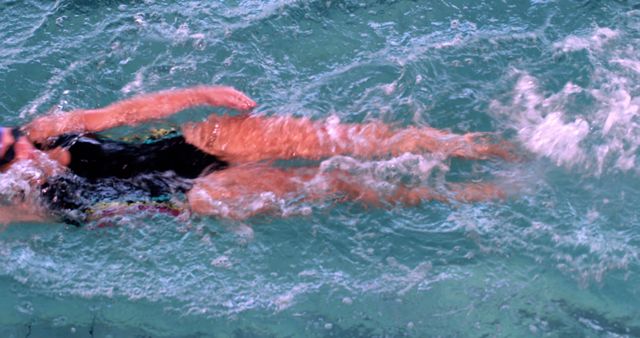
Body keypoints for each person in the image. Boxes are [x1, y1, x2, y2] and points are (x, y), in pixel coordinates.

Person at [0, 86, 511, 225]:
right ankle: (468, 194)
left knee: (343, 139)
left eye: (12, 133)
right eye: (11, 149)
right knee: (334, 185)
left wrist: (204, 93)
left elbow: (127, 112)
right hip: (192, 194)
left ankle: (480, 147)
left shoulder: (45, 131)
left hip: (189, 145)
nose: (23, 140)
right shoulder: (15, 204)